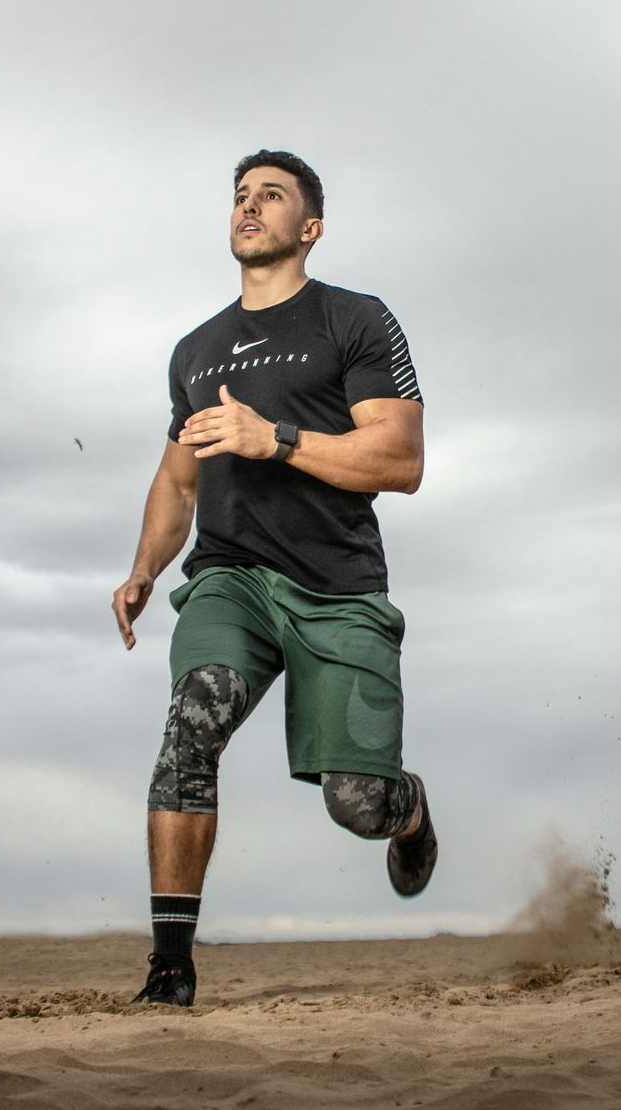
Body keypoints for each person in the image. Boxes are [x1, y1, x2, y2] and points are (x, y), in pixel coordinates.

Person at [112, 149, 437, 1008]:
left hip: (337, 588)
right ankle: (170, 966)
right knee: (190, 727)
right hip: (231, 579)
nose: (249, 208)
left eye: (272, 197)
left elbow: (399, 461)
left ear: (311, 227)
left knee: (354, 802)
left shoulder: (354, 319)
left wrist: (278, 440)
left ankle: (406, 808)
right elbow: (179, 477)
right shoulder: (197, 349)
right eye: (240, 196)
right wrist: (146, 565)